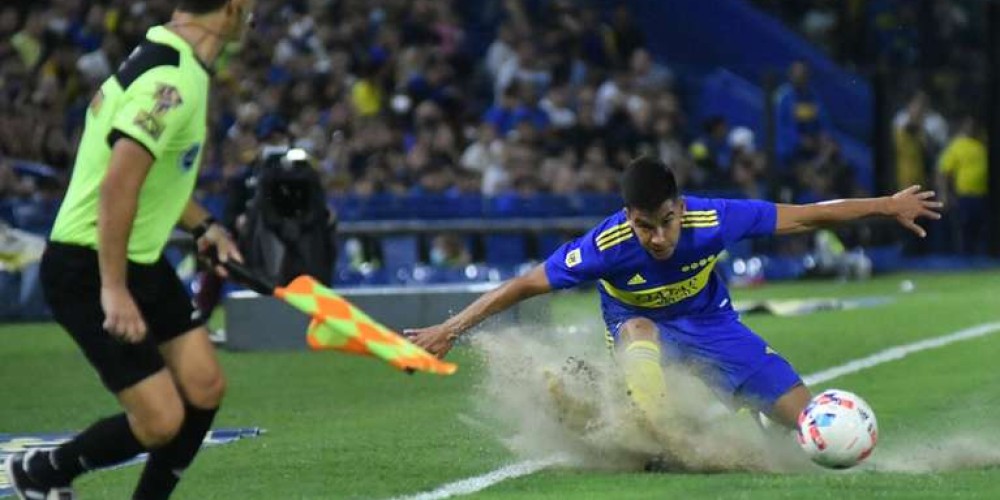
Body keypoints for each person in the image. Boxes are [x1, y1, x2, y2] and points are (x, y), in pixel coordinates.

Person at [407, 156, 941, 446]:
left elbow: (806, 215)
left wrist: (885, 205)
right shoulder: (605, 246)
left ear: (680, 207)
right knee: (639, 331)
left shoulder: (715, 219)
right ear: (628, 217)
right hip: (640, 328)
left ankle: (745, 414)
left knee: (805, 422)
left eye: (666, 221)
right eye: (645, 226)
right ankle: (657, 432)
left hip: (713, 325)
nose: (658, 237)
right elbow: (523, 285)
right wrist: (449, 330)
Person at [5, 1, 255, 498]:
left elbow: (157, 174)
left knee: (204, 385)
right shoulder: (173, 80)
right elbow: (118, 182)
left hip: (135, 257)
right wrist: (114, 289)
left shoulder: (172, 54)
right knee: (160, 420)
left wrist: (204, 226)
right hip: (87, 263)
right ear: (232, 9)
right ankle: (43, 471)